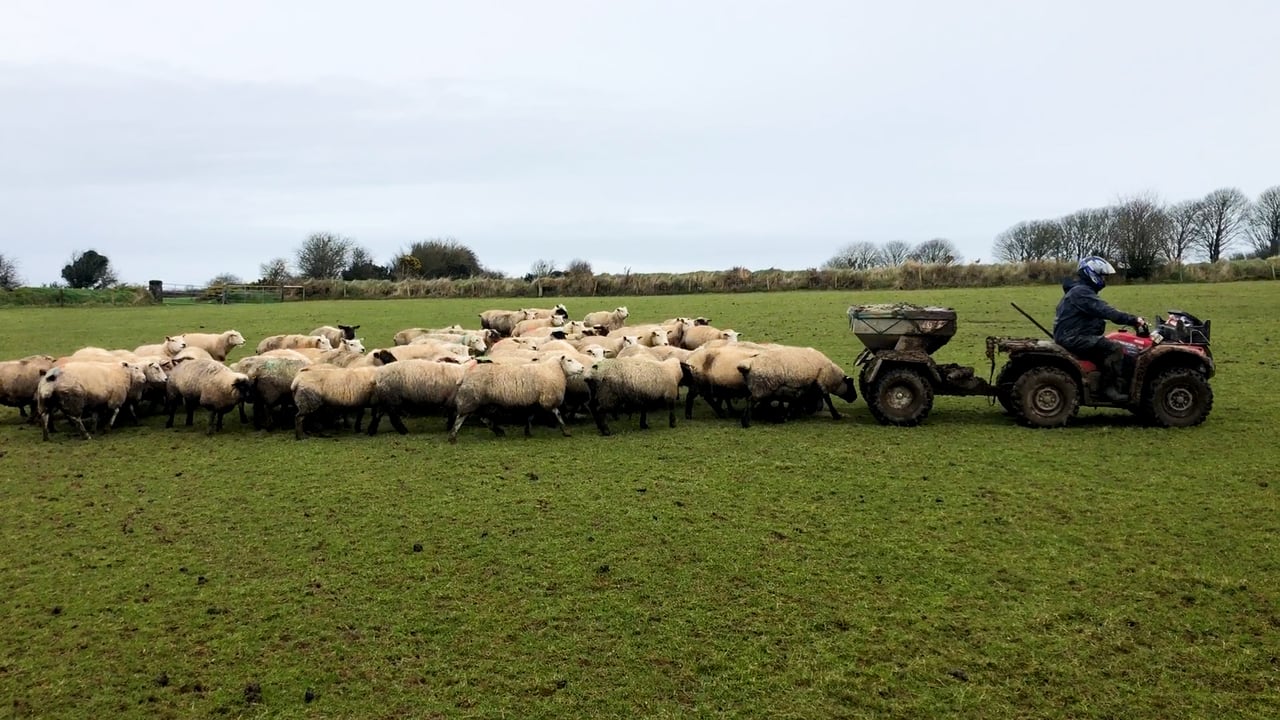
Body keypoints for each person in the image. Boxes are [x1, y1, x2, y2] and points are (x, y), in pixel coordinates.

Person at [1053, 256, 1146, 402]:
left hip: (1072, 334)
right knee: (1114, 348)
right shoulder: (1081, 292)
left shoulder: (1081, 290)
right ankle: (1108, 390)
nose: (1104, 279)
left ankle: (1117, 383)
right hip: (1073, 336)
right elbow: (1106, 311)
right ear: (1091, 273)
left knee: (1110, 346)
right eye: (1102, 276)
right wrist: (1133, 320)